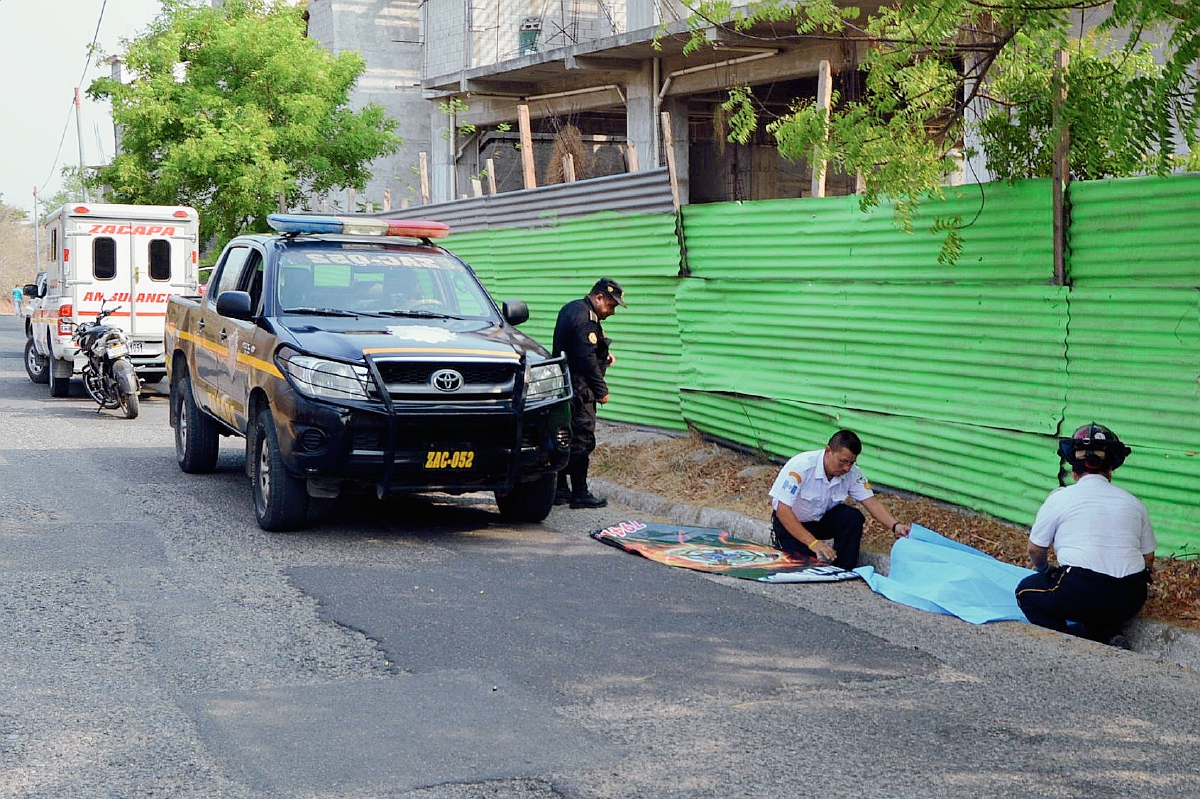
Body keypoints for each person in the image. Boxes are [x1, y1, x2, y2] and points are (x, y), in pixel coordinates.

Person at [1015, 423, 1156, 649]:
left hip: (1082, 588)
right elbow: (1148, 557)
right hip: (1131, 595)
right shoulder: (1133, 502)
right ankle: (1107, 634)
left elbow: (1035, 549)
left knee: (1026, 592)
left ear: (1074, 472)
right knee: (1099, 601)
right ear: (1110, 472)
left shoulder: (1061, 498)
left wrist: (1044, 569)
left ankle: (1073, 638)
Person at [768, 429, 911, 570]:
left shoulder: (852, 473)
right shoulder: (801, 467)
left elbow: (870, 501)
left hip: (820, 520)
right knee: (805, 566)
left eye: (851, 463)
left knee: (852, 517)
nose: (847, 468)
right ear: (828, 451)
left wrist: (895, 526)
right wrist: (813, 543)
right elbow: (783, 510)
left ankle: (843, 568)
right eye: (842, 462)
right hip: (792, 525)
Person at [552, 277, 625, 509]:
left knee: (564, 435)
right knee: (582, 439)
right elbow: (585, 359)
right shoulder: (586, 318)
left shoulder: (574, 308)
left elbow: (583, 346)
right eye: (611, 306)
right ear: (599, 297)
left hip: (565, 385)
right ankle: (580, 493)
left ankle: (560, 490)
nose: (612, 312)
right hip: (580, 389)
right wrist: (601, 391)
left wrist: (605, 355)